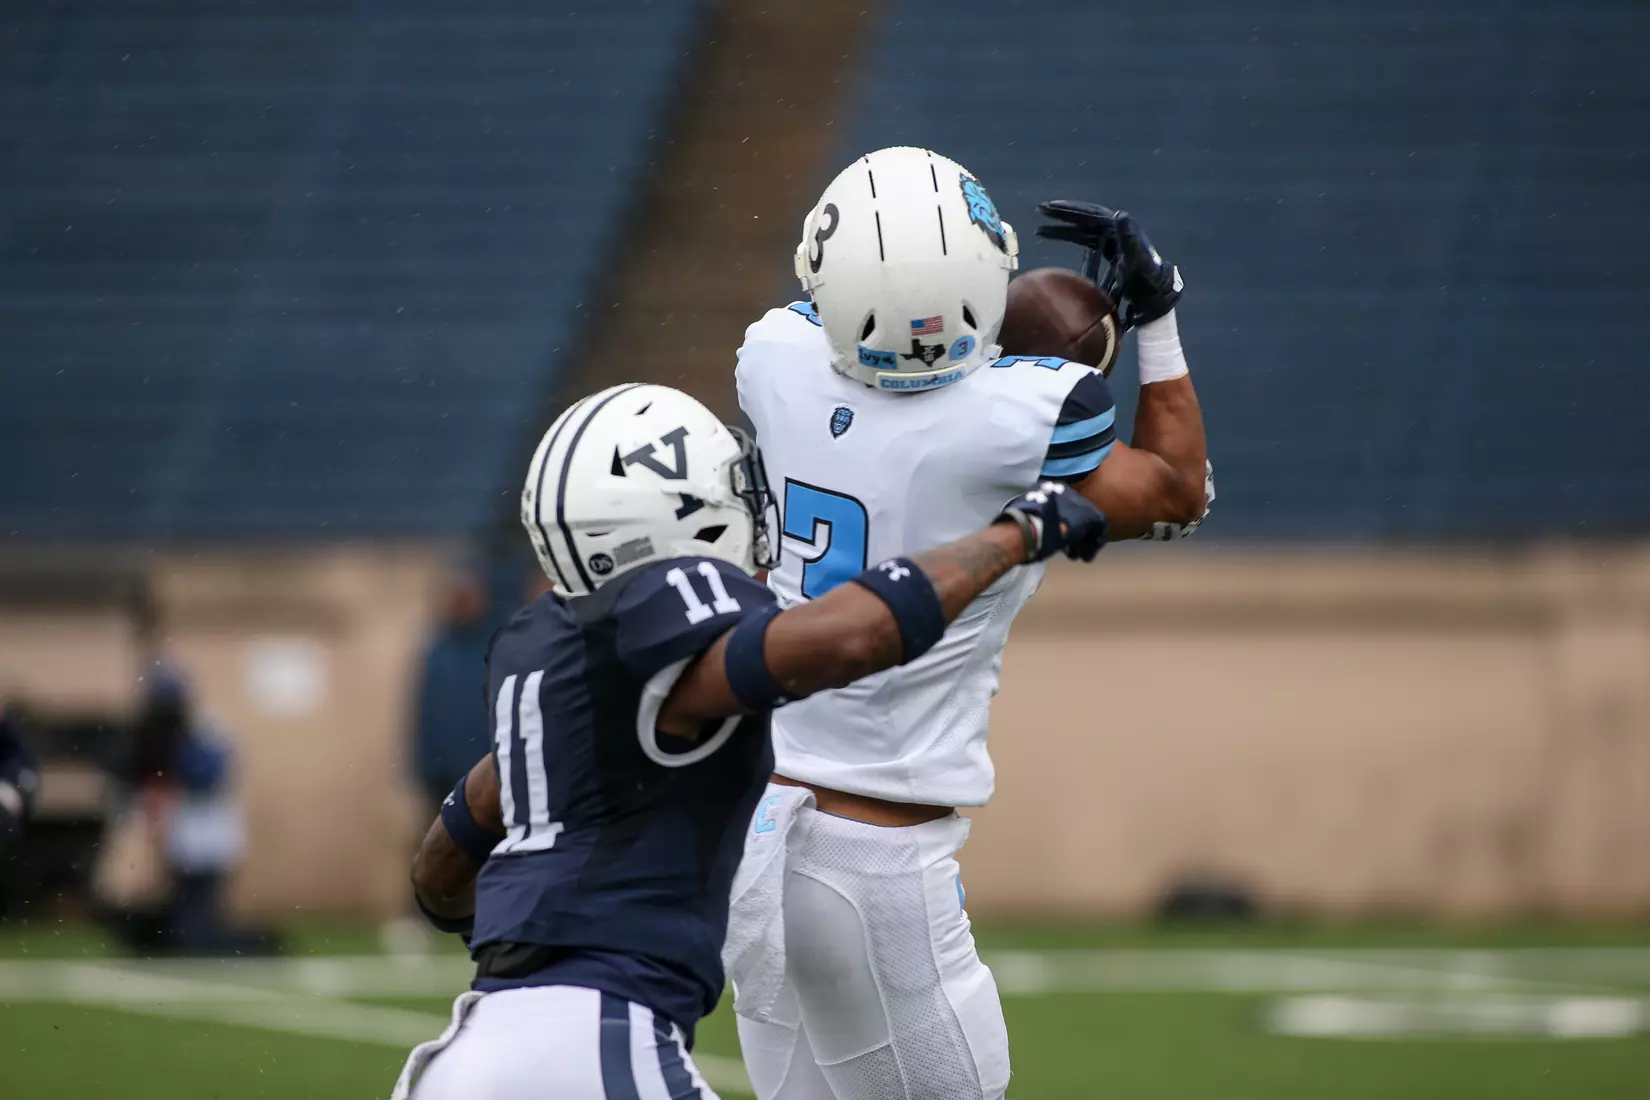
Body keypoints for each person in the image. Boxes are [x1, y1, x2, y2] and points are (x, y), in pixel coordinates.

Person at [389, 381, 1112, 1100]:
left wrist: (532, 933)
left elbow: (438, 871)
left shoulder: (546, 652)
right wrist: (1018, 533)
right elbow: (853, 638)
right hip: (595, 1044)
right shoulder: (670, 636)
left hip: (469, 1048)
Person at [722, 147, 1213, 1100]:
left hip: (754, 826)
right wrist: (1153, 317)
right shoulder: (1024, 414)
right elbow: (1176, 491)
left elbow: (851, 337)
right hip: (879, 861)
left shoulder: (771, 359)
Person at [410, 560, 496, 820]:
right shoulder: (437, 653)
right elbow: (425, 716)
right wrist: (425, 771)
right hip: (445, 780)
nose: (463, 602)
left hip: (491, 780)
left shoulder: (498, 648)